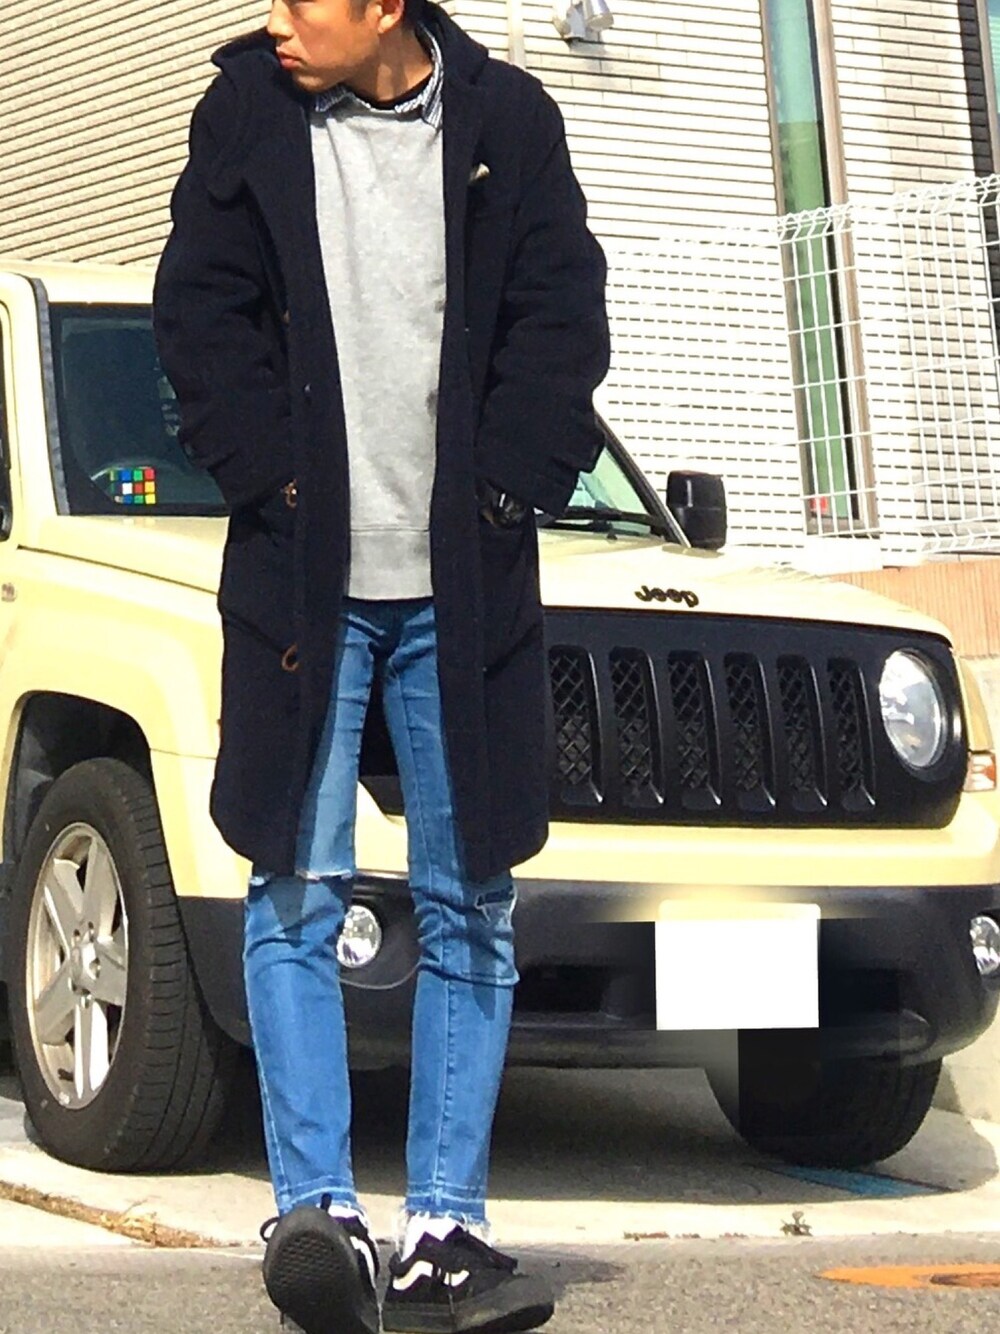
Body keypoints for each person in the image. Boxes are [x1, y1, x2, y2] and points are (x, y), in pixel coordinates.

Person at [153, 0, 609, 1330]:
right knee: (295, 891)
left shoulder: (508, 121)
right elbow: (201, 315)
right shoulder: (246, 113)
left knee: (471, 899)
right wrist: (276, 481)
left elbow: (560, 319)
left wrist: (505, 491)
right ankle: (319, 1216)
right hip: (304, 582)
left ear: (388, 10)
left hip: (463, 589)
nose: (279, 22)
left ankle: (446, 1233)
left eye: (308, 2)